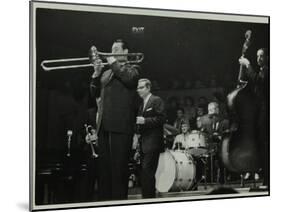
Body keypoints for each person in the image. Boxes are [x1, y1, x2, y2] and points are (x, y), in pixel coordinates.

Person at [89, 39, 140, 200]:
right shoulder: (106, 73)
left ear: (126, 52)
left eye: (116, 49)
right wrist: (96, 74)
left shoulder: (133, 68)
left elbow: (129, 80)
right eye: (111, 49)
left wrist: (112, 62)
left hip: (121, 126)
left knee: (118, 170)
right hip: (103, 125)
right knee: (104, 172)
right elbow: (94, 94)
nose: (111, 52)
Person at [238, 48, 269, 186]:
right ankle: (267, 179)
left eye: (262, 56)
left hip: (266, 114)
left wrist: (247, 64)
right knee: (264, 148)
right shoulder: (262, 71)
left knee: (267, 148)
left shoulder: (267, 70)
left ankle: (269, 180)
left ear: (268, 57)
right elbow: (253, 82)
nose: (259, 59)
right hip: (261, 113)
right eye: (257, 56)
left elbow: (258, 81)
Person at [136, 78, 166, 198]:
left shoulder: (156, 100)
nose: (138, 90)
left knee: (147, 171)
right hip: (144, 143)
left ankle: (148, 199)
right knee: (146, 172)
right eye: (138, 88)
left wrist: (145, 121)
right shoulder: (141, 104)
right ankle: (148, 198)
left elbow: (162, 118)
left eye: (141, 87)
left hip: (153, 142)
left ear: (148, 88)